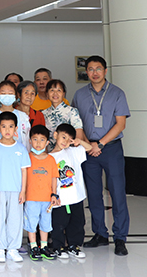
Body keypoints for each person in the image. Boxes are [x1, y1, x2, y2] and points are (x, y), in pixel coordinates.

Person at [71, 55, 130, 256]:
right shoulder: (79, 95)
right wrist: (89, 145)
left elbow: (121, 124)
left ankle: (120, 237)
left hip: (111, 148)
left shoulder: (117, 93)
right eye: (90, 69)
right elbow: (77, 124)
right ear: (86, 72)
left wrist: (101, 144)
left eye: (98, 68)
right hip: (88, 150)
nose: (94, 72)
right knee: (93, 193)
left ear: (105, 71)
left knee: (117, 193)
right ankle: (100, 234)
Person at [0, 111, 30, 263]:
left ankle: (13, 249)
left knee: (15, 219)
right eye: (4, 126)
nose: (7, 130)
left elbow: (24, 171)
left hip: (16, 190)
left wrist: (23, 191)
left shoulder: (21, 148)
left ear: (16, 129)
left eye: (11, 126)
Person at [50, 123, 92, 259]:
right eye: (63, 137)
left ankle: (74, 245)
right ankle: (58, 246)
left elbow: (89, 148)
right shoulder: (49, 157)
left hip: (76, 196)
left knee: (77, 223)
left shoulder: (74, 151)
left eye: (69, 140)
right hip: (60, 198)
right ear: (55, 135)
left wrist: (79, 141)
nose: (65, 142)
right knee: (58, 223)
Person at [24, 125, 60, 261]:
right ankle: (34, 246)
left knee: (45, 223)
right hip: (31, 198)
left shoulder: (51, 159)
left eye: (42, 140)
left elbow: (54, 178)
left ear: (47, 142)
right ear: (30, 141)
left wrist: (54, 194)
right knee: (31, 223)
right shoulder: (27, 158)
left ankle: (44, 247)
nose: (38, 143)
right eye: (35, 139)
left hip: (46, 199)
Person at [0, 80, 31, 153]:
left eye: (10, 93)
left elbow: (28, 140)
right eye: (3, 93)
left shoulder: (23, 116)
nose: (7, 96)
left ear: (16, 96)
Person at [42, 79, 86, 151]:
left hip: (67, 152)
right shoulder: (43, 113)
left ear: (63, 94)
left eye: (59, 90)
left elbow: (79, 135)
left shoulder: (72, 111)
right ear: (47, 94)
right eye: (52, 90)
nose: (55, 93)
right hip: (49, 153)